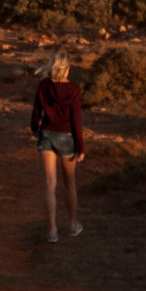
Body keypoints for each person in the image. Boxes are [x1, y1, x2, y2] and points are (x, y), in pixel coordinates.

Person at [30, 53, 85, 242]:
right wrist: (81, 147)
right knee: (69, 183)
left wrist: (35, 129)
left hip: (46, 135)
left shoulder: (44, 85)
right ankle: (72, 224)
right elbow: (76, 120)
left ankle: (52, 230)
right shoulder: (73, 89)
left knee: (50, 184)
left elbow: (37, 111)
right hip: (67, 138)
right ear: (67, 69)